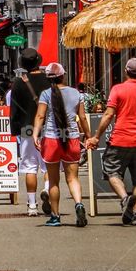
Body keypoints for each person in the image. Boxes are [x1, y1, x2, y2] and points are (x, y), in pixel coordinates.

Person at [86, 58, 136, 226]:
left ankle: (125, 198)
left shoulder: (118, 90)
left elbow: (108, 115)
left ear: (126, 72)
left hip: (120, 139)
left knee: (111, 171)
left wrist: (97, 136)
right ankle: (135, 214)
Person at [32, 63, 91, 227]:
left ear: (48, 78)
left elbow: (40, 116)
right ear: (63, 76)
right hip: (71, 139)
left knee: (53, 181)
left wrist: (36, 134)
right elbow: (83, 118)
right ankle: (79, 204)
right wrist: (88, 136)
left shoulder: (45, 94)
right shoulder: (75, 93)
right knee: (72, 178)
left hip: (51, 140)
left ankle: (55, 216)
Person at [9, 48, 51, 217]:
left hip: (27, 129)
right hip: (48, 128)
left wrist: (15, 129)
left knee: (30, 168)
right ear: (38, 62)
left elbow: (14, 110)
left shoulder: (18, 83)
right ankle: (47, 189)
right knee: (48, 165)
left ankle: (32, 205)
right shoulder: (49, 81)